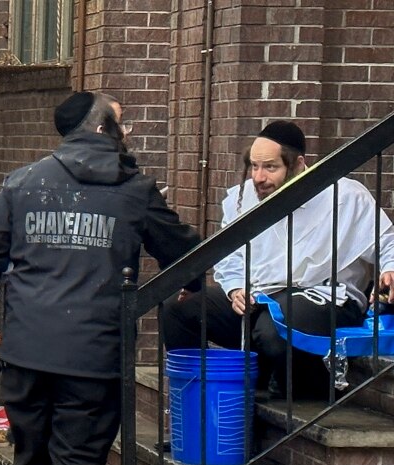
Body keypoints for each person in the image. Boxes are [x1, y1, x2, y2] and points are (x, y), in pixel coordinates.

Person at [0, 91, 200, 465]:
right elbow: (185, 251)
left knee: (30, 456)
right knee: (74, 460)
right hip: (94, 353)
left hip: (25, 350)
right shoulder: (135, 190)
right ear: (101, 127)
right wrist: (192, 283)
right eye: (122, 121)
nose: (129, 132)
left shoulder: (22, 183)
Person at [162, 121, 394, 399]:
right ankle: (198, 403)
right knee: (179, 311)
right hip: (258, 297)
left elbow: (386, 242)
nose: (259, 177)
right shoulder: (244, 195)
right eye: (254, 166)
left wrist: (390, 268)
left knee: (273, 327)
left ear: (298, 164)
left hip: (326, 297)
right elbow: (229, 253)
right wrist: (235, 287)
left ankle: (300, 389)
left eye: (270, 167)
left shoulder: (346, 196)